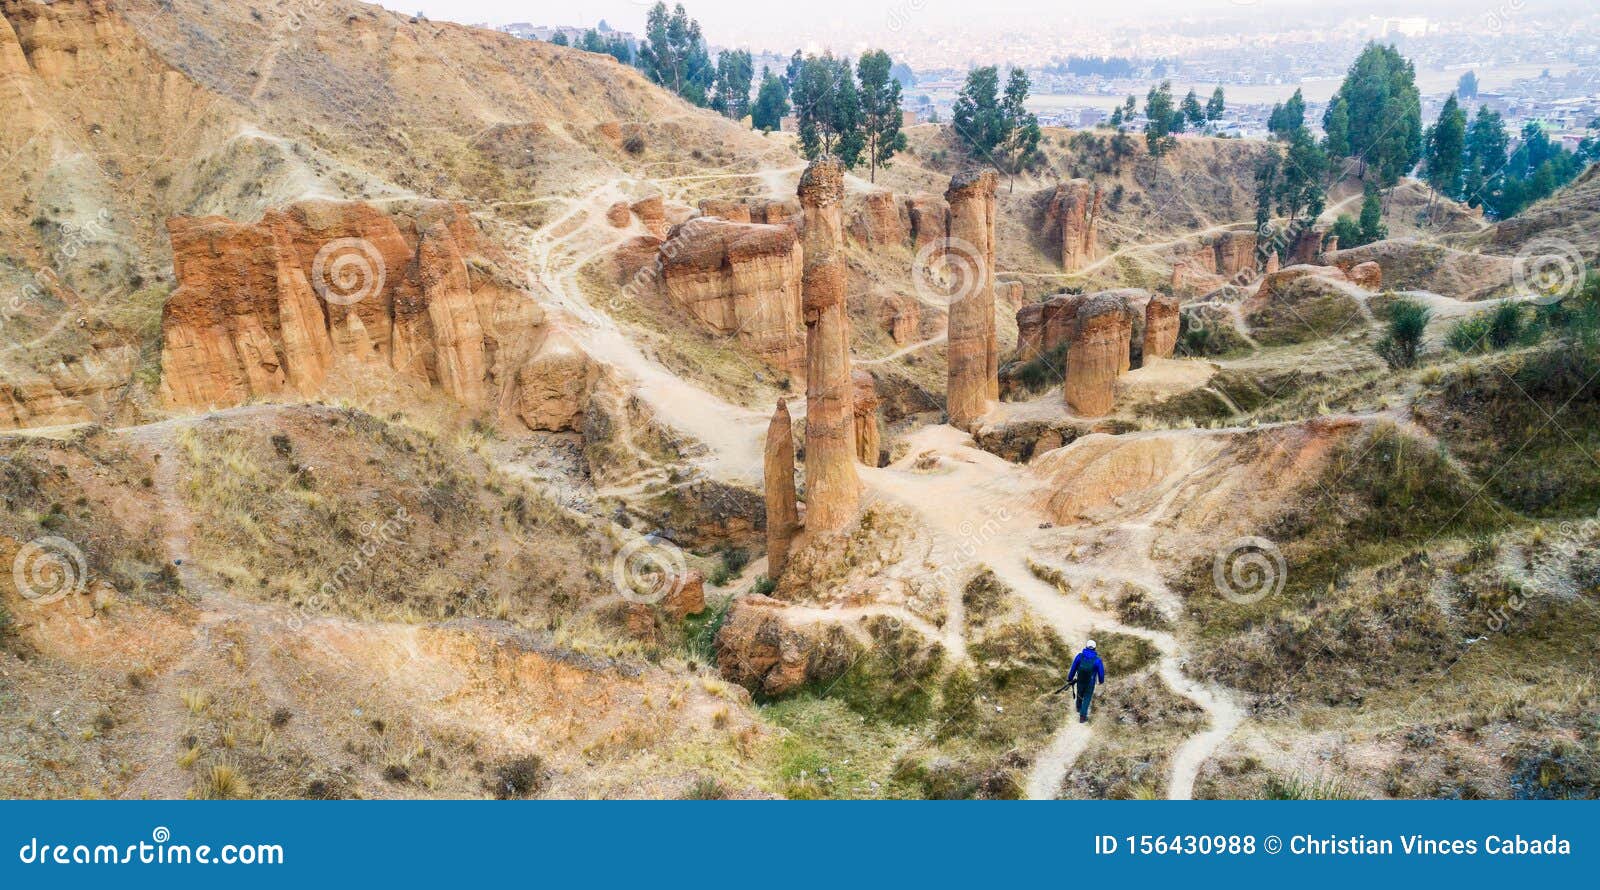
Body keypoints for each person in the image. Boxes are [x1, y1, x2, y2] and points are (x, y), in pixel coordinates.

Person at [1060, 640, 1105, 723]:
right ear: (1095, 648)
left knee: (1080, 693)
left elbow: (1073, 668)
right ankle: (1083, 716)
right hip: (1090, 683)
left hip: (1080, 680)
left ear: (1086, 647)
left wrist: (1070, 678)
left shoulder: (1079, 656)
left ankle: (1078, 707)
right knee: (1087, 697)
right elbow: (1101, 674)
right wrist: (1101, 681)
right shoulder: (1097, 660)